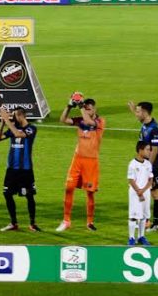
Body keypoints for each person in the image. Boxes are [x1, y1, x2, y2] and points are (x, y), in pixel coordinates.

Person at [56, 95, 105, 232]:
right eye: (86, 109)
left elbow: (89, 122)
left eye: (89, 109)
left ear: (94, 109)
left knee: (90, 193)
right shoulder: (80, 120)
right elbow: (63, 120)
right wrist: (69, 106)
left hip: (91, 161)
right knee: (68, 188)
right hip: (77, 159)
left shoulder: (100, 121)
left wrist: (81, 106)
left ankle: (89, 222)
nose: (87, 111)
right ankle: (66, 221)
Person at [0, 107, 41, 232]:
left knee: (29, 196)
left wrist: (6, 119)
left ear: (21, 116)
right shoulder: (13, 128)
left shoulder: (31, 128)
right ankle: (13, 223)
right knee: (7, 194)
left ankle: (32, 223)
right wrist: (2, 123)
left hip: (25, 169)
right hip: (11, 169)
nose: (13, 118)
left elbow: (18, 134)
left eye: (14, 115)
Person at [128, 101, 158, 232]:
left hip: (153, 165)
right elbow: (141, 119)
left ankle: (155, 224)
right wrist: (134, 110)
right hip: (145, 165)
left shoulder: (154, 129)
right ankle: (146, 221)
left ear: (144, 112)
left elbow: (155, 150)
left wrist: (149, 167)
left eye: (138, 111)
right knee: (145, 192)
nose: (136, 114)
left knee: (154, 193)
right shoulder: (146, 124)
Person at [127, 141, 153, 246]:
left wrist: (143, 190)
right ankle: (131, 238)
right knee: (133, 216)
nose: (149, 152)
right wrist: (139, 191)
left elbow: (150, 179)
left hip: (145, 193)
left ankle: (141, 236)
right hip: (135, 193)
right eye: (147, 149)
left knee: (144, 216)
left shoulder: (148, 164)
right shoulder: (132, 164)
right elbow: (131, 180)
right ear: (140, 150)